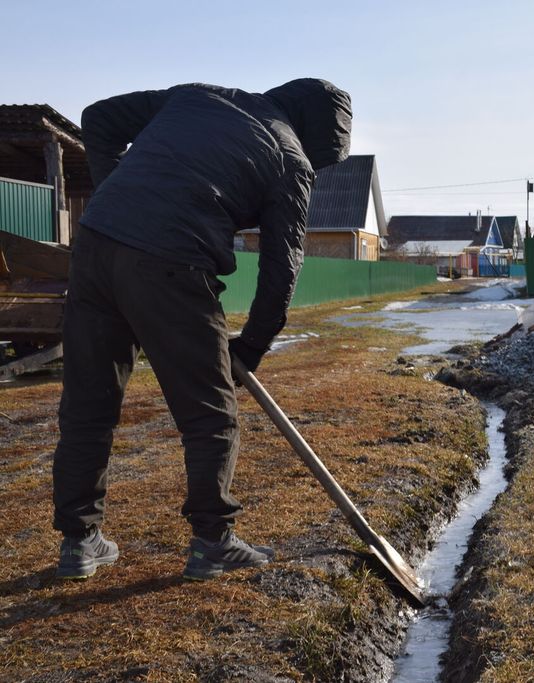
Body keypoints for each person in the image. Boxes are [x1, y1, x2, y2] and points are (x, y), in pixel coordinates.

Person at [52, 79, 352, 580]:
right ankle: (213, 541)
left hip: (96, 246)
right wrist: (251, 347)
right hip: (172, 261)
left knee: (89, 405)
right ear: (318, 134)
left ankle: (79, 543)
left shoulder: (199, 96)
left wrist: (111, 194)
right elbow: (282, 270)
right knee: (211, 415)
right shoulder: (290, 161)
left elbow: (98, 118)